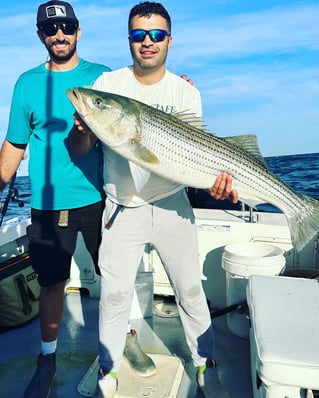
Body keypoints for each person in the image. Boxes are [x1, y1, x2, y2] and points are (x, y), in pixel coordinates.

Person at [70, 2, 238, 397]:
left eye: (157, 35)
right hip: (121, 208)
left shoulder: (184, 91)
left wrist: (216, 184)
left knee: (190, 291)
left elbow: (193, 156)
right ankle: (108, 370)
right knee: (113, 296)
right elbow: (79, 149)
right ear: (129, 39)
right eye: (139, 35)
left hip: (171, 205)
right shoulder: (108, 87)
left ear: (169, 40)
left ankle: (203, 362)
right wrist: (86, 124)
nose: (148, 42)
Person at [0, 1, 158, 397]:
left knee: (116, 278)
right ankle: (47, 358)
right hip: (48, 206)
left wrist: (179, 87)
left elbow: (143, 112)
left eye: (66, 27)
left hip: (102, 198)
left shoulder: (102, 77)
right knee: (53, 285)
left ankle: (130, 338)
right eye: (51, 29)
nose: (59, 35)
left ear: (78, 31)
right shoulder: (25, 84)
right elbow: (14, 146)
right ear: (40, 35)